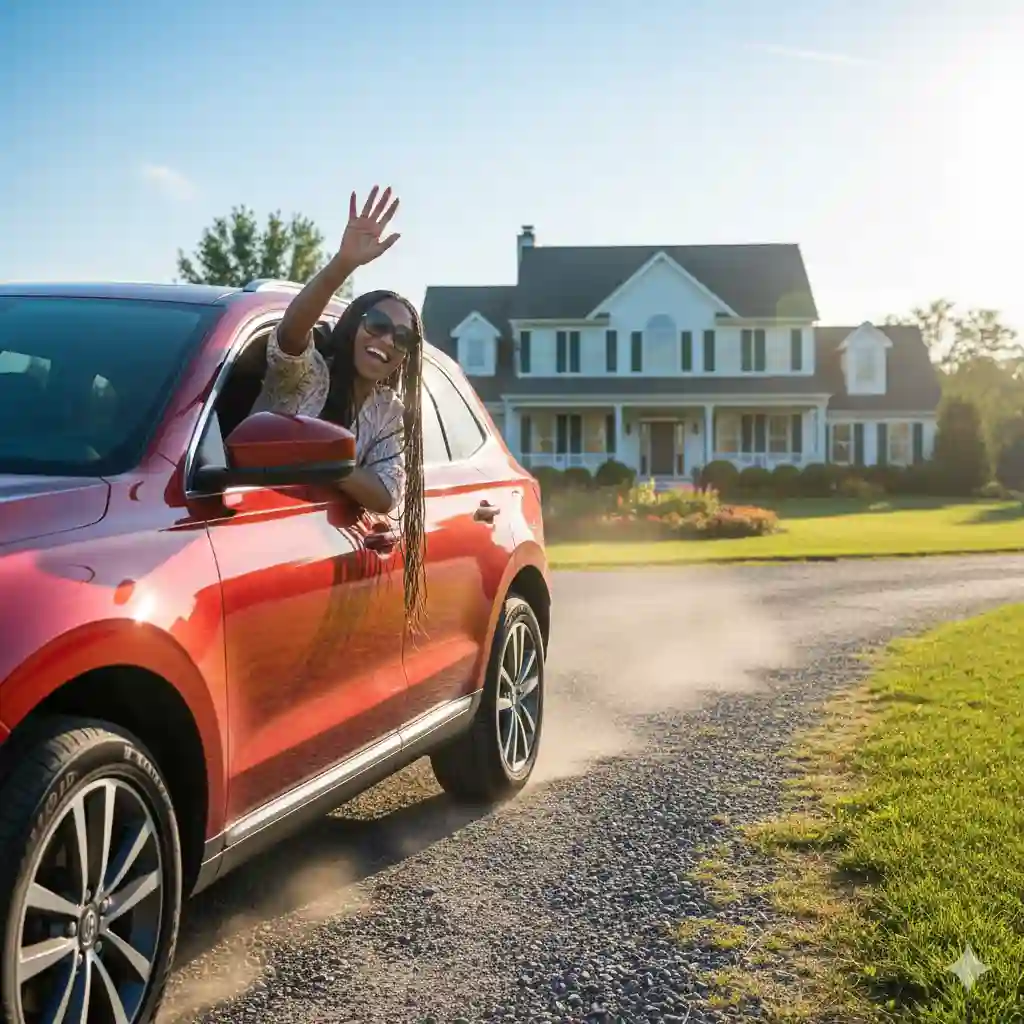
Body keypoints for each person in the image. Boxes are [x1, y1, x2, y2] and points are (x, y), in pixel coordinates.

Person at [252, 185, 426, 627]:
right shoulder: (308, 372)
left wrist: (328, 460)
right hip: (259, 541)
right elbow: (292, 331)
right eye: (378, 325)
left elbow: (385, 495)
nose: (387, 340)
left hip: (328, 556)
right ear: (354, 326)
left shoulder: (390, 412)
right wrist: (344, 264)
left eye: (401, 338)